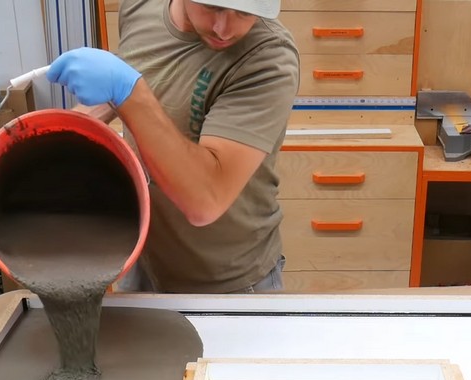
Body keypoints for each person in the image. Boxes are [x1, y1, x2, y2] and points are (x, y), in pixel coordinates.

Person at [45, 0, 300, 293]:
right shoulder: (139, 7)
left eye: (244, 13)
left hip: (227, 281)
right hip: (144, 262)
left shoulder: (268, 59)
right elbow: (144, 79)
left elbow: (206, 200)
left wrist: (130, 91)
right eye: (212, 7)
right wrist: (60, 138)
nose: (224, 29)